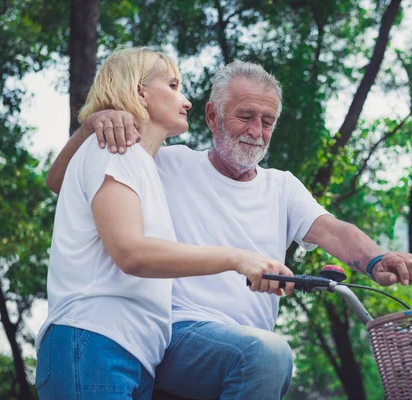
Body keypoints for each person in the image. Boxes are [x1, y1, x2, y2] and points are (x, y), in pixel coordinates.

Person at [46, 60, 412, 400]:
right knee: (267, 354)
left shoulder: (283, 186)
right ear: (212, 117)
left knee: (266, 355)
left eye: (267, 121)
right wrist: (93, 125)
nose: (257, 131)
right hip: (177, 332)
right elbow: (67, 181)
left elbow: (332, 231)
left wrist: (378, 258)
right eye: (245, 116)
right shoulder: (164, 161)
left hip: (236, 352)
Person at [36, 51, 295, 400]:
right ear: (140, 92)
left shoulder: (144, 165)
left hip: (135, 352)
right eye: (173, 86)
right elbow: (132, 254)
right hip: (94, 338)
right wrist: (237, 259)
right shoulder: (115, 149)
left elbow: (61, 182)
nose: (186, 100)